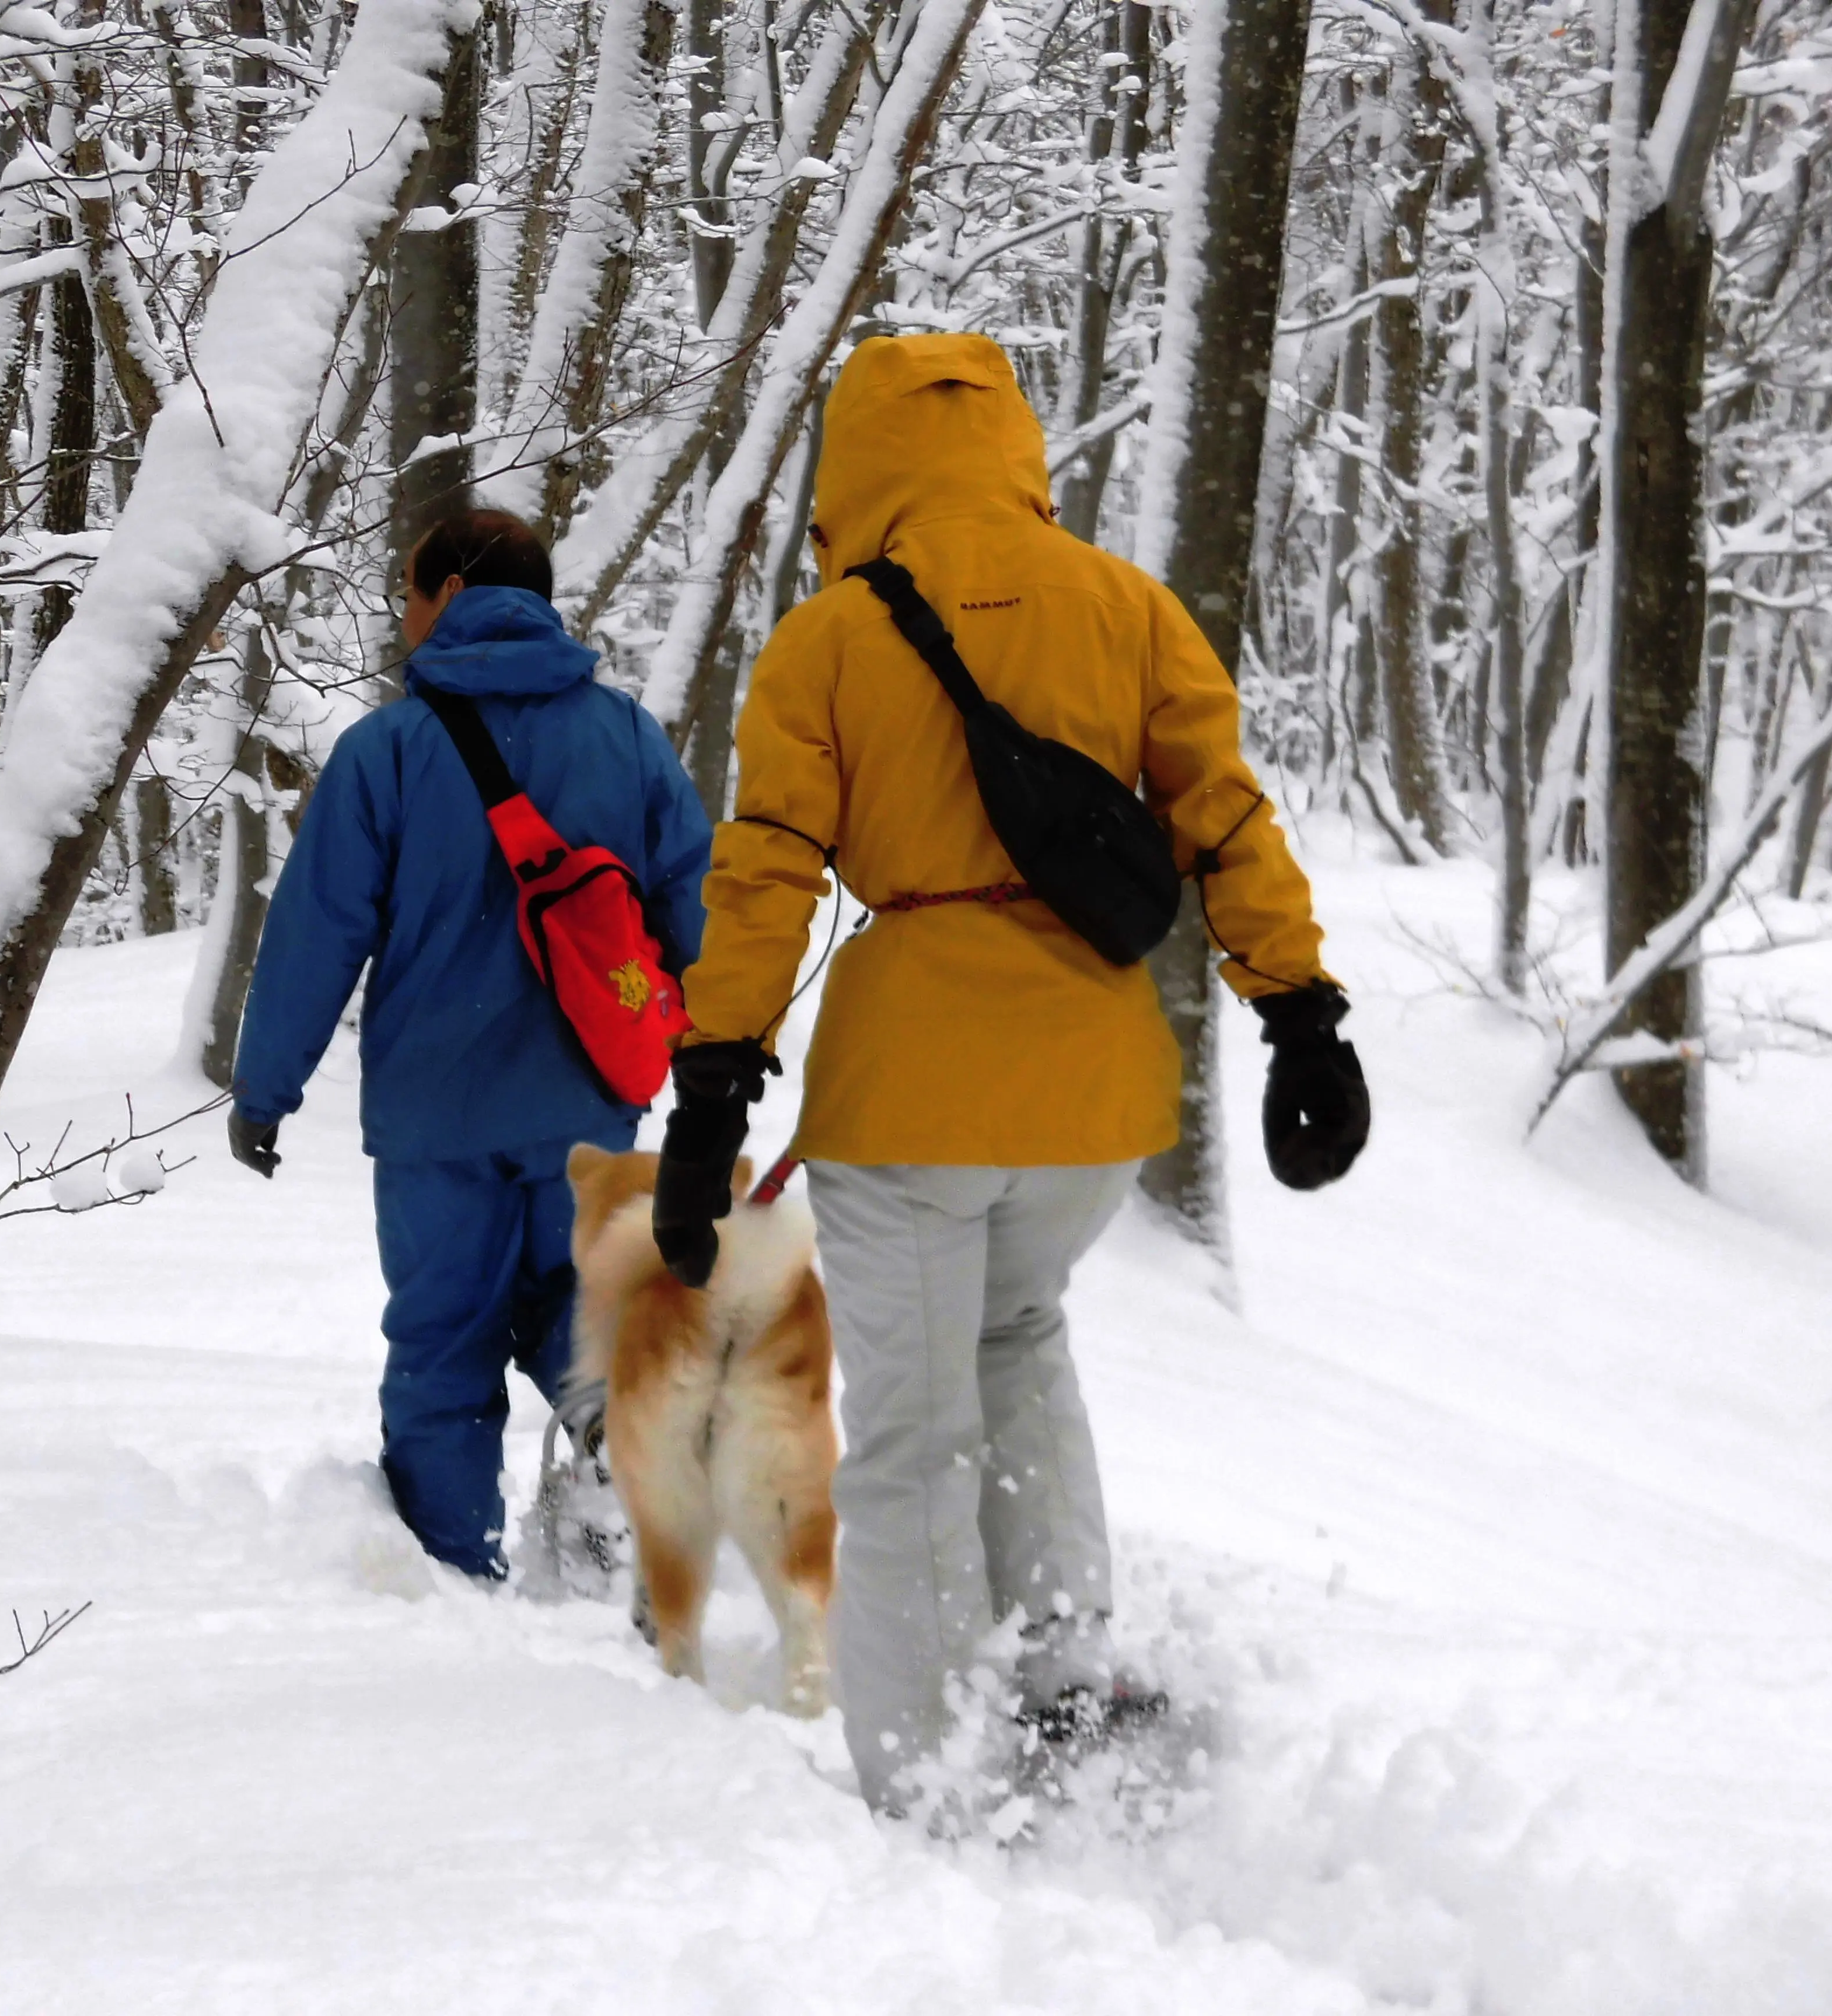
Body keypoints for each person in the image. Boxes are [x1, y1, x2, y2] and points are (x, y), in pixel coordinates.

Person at [652, 333, 1367, 1816]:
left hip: (913, 1093)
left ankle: (926, 1780)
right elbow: (1226, 820)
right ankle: (1059, 1674)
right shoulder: (1128, 608)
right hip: (1095, 1096)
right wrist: (1302, 1015)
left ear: (856, 464)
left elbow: (771, 868)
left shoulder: (832, 638)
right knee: (1024, 1335)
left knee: (914, 1435)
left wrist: (715, 1080)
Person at [228, 509, 713, 1582]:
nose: (404, 617)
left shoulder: (387, 751)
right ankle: (610, 1450)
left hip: (435, 1118)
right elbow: (696, 916)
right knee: (576, 1311)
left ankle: (450, 1579)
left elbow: (318, 933)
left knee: (445, 1340)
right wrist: (706, 1060)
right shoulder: (627, 737)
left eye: (410, 592)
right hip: (590, 1108)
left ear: (449, 593)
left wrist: (265, 1089)